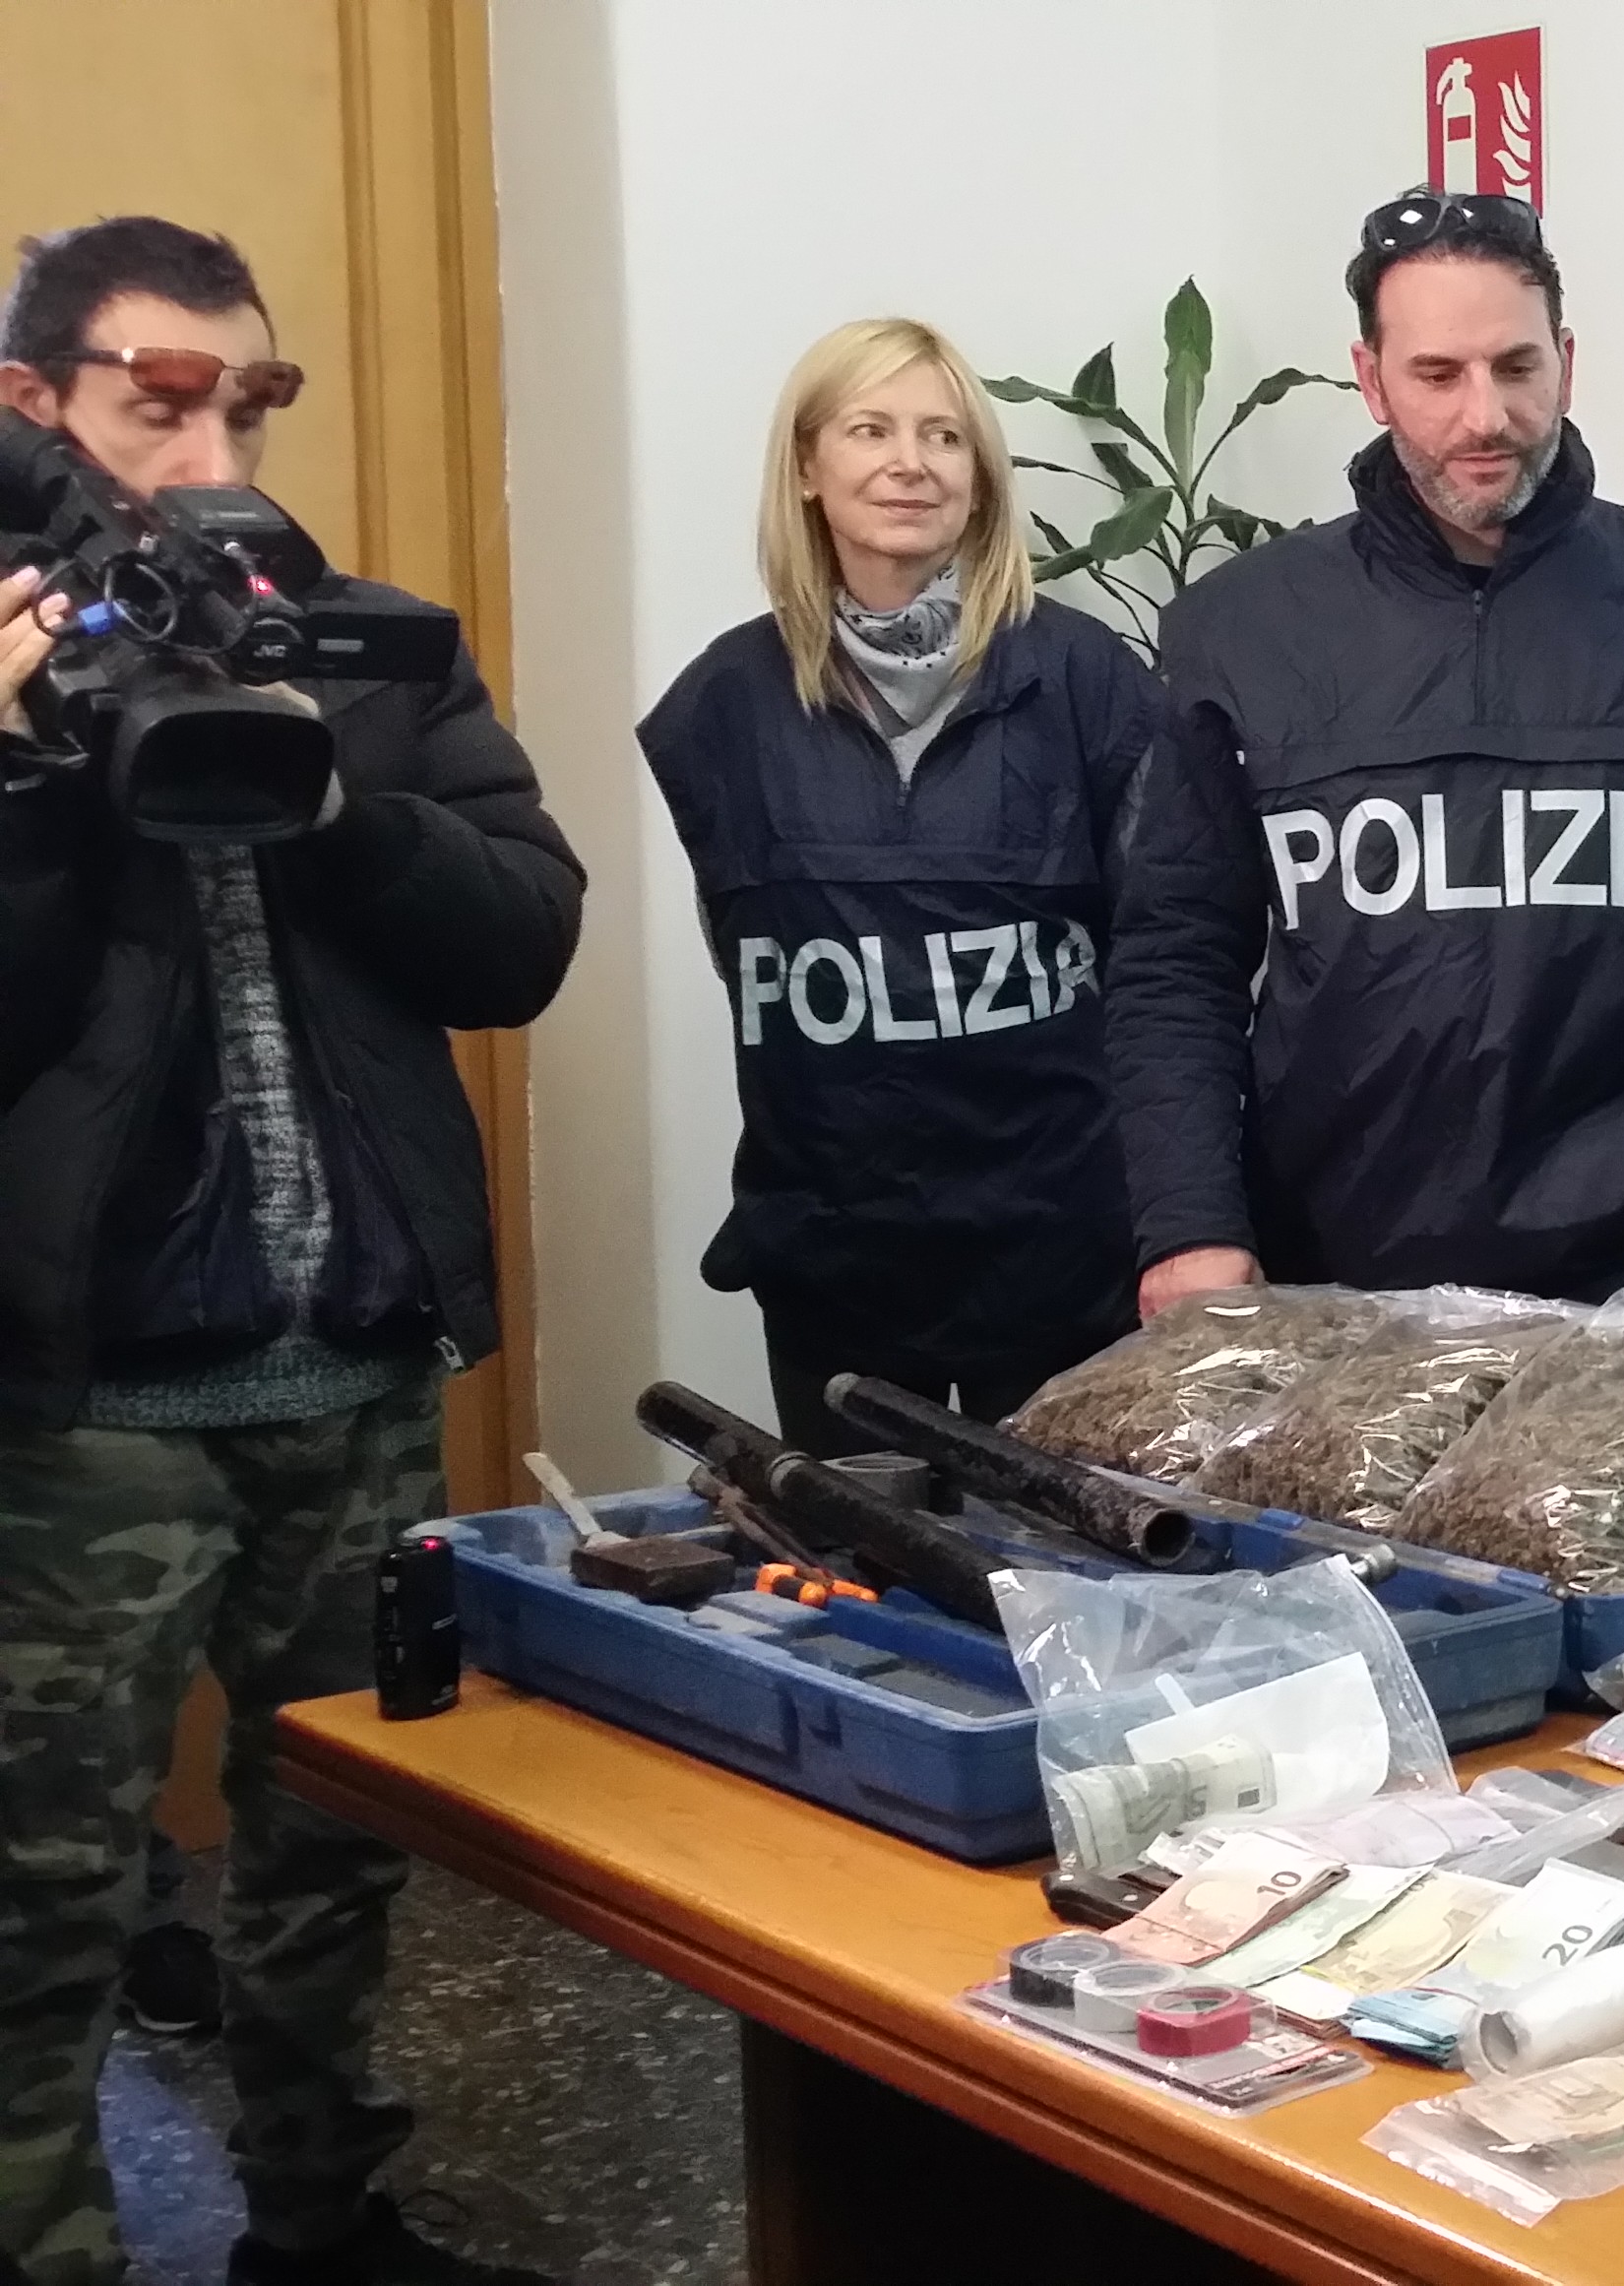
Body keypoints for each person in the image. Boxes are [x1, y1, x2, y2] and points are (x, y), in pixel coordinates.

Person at [0, 218, 577, 2286]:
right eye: (159, 402)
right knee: (45, 1891)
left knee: (339, 1848)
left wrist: (330, 796)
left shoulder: (360, 639)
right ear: (33, 406)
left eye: (250, 403)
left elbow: (522, 937)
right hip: (87, 1409)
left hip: (355, 1368)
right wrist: (23, 778)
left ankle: (326, 2227)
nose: (214, 447)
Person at [1111, 190, 1624, 1315]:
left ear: (1566, 365)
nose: (1485, 416)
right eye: (1438, 374)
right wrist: (1191, 1224)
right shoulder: (1240, 630)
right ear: (1372, 378)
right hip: (1332, 1270)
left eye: (1516, 366)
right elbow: (1176, 956)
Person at [639, 319, 1169, 1456]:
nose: (909, 463)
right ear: (806, 465)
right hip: (837, 1261)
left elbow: (1160, 966)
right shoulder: (719, 708)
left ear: (980, 476)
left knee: (1066, 1551)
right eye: (870, 430)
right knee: (864, 1558)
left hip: (1061, 1257)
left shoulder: (1089, 683)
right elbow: (750, 959)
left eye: (944, 436)